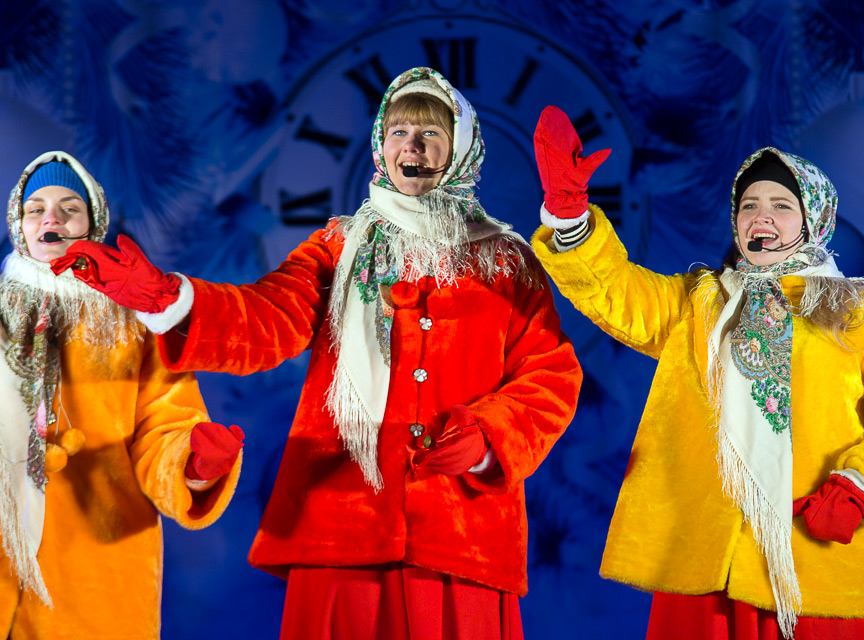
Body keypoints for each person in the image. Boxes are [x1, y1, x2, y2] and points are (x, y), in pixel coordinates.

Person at [54, 68, 581, 639]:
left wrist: (487, 440)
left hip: (463, 541)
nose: (412, 146)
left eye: (430, 134)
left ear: (459, 150)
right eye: (399, 132)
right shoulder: (336, 247)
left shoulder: (506, 263)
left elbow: (551, 375)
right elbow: (266, 319)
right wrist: (166, 298)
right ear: (380, 146)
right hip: (340, 531)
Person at [529, 106, 864, 640]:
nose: (761, 217)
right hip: (705, 571)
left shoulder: (858, 313)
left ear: (813, 220)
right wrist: (570, 220)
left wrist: (862, 485)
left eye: (781, 205)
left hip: (813, 566)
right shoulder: (701, 303)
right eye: (749, 205)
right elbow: (617, 292)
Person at [0, 151, 244, 639]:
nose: (51, 218)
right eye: (36, 209)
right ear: (17, 224)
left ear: (93, 223)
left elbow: (165, 427)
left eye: (70, 208)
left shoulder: (136, 323)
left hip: (94, 561)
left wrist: (193, 465)